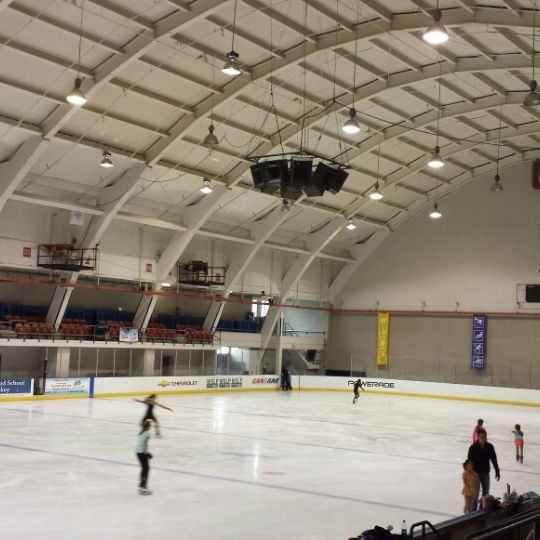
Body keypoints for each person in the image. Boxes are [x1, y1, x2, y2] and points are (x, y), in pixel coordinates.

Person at [467, 431, 500, 510]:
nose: (484, 439)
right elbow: (469, 462)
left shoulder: (490, 446)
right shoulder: (473, 447)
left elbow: (494, 460)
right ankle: (472, 513)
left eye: (485, 437)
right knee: (475, 495)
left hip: (485, 473)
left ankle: (483, 511)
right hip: (475, 475)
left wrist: (497, 471)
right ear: (478, 437)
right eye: (482, 437)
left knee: (486, 494)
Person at [136, 419, 152, 495]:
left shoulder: (141, 432)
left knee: (144, 468)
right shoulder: (147, 433)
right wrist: (147, 453)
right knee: (146, 469)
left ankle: (141, 486)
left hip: (137, 452)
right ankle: (143, 487)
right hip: (142, 452)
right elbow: (145, 444)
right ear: (149, 426)